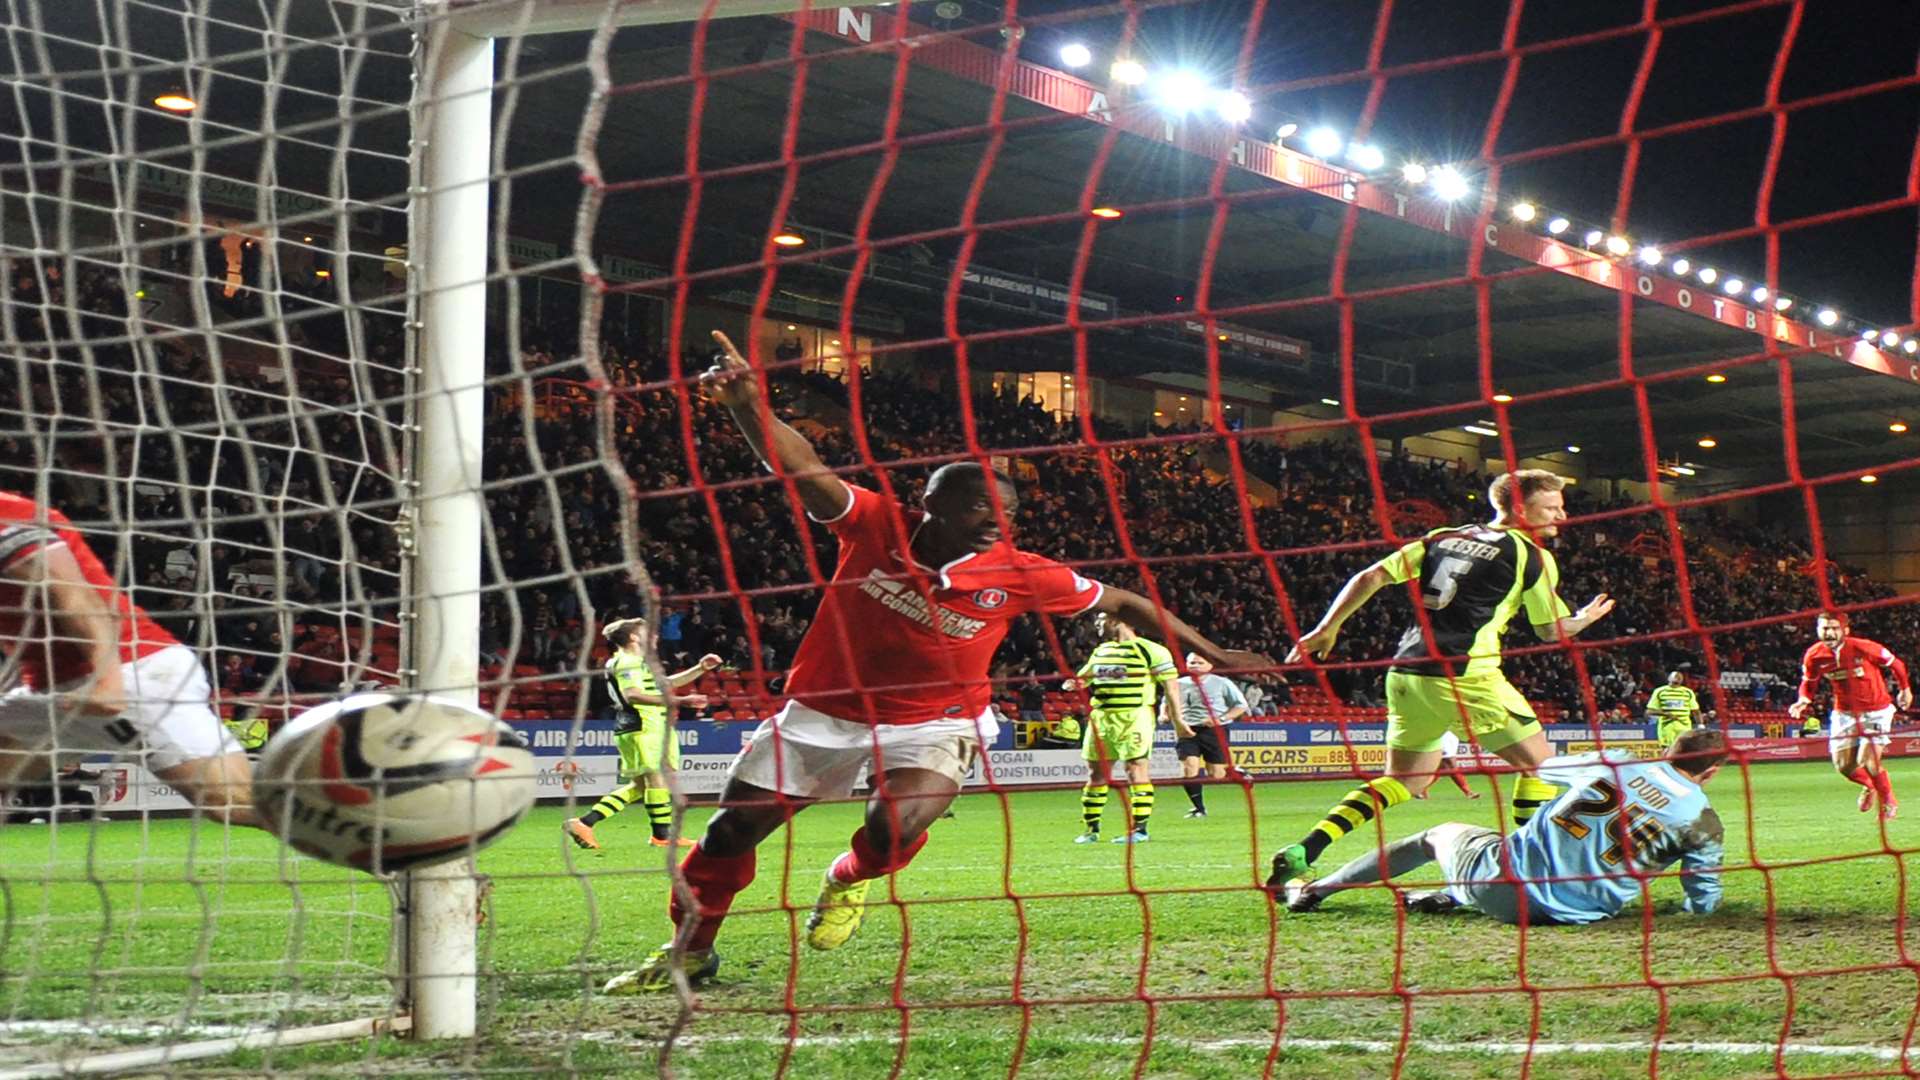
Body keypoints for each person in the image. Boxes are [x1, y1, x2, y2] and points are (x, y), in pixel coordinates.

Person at [604, 331, 1265, 994]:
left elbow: (1122, 597)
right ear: (933, 503)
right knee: (728, 832)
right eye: (981, 507)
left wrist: (1212, 651)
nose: (995, 523)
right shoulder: (873, 524)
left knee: (893, 827)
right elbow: (803, 468)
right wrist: (748, 406)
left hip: (936, 721)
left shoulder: (1019, 572)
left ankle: (847, 878)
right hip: (824, 710)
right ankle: (691, 951)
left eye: (1006, 513)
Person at [1268, 469, 1614, 892]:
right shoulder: (1531, 555)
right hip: (1466, 673)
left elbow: (1372, 575)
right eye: (1552, 507)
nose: (1562, 515)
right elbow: (1549, 631)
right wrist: (1581, 620)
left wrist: (1327, 628)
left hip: (1407, 670)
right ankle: (1529, 873)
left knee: (1405, 781)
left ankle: (1305, 850)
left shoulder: (1444, 536)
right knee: (1542, 767)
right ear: (1520, 509)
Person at [1282, 729, 1729, 924]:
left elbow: (1542, 768)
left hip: (1502, 885)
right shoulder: (1704, 822)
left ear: (1668, 750)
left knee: (1436, 835)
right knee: (1507, 847)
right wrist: (1692, 912)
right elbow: (1703, 894)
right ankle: (1451, 895)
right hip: (1576, 914)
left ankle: (1315, 891)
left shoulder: (1616, 763)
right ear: (1711, 773)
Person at [0, 491, 257, 826]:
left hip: (134, 675)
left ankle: (340, 817)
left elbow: (75, 598)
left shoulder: (8, 517)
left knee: (233, 803)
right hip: (54, 695)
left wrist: (108, 683)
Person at [564, 617, 722, 852]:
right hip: (643, 725)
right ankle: (663, 836)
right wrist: (682, 701)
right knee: (657, 776)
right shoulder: (629, 662)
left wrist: (700, 668)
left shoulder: (632, 662)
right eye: (648, 631)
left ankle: (585, 823)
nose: (655, 636)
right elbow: (633, 695)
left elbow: (665, 683)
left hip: (640, 725)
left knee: (640, 785)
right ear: (634, 637)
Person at [1068, 613, 1179, 844]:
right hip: (1102, 718)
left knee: (1135, 769)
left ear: (1115, 620)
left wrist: (1176, 718)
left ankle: (1139, 830)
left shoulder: (1151, 650)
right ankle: (1091, 830)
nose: (1096, 624)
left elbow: (1171, 687)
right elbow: (1085, 677)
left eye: (1100, 619)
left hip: (1134, 716)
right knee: (1096, 774)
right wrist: (1074, 683)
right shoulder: (1101, 651)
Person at [1787, 611, 1908, 820]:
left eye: (1834, 628)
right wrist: (1803, 699)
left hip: (1876, 711)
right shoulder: (1814, 655)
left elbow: (1896, 664)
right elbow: (1809, 682)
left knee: (1868, 760)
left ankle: (1888, 799)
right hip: (1844, 713)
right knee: (1843, 766)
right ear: (1818, 630)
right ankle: (1869, 786)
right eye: (1825, 628)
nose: (1830, 633)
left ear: (1845, 630)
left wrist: (1905, 689)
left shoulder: (1864, 647)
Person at [1174, 651, 1247, 818]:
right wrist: (1164, 714)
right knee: (1189, 767)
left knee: (1216, 774)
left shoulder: (1222, 683)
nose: (1195, 666)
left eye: (1200, 663)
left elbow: (1240, 706)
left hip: (1215, 730)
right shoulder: (1178, 683)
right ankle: (1199, 808)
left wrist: (1219, 718)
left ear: (1210, 665)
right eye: (1192, 662)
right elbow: (1168, 701)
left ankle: (1233, 770)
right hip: (1187, 729)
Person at [1647, 670, 1701, 750]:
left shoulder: (1688, 692)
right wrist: (1666, 714)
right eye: (1676, 676)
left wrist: (1700, 725)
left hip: (1684, 727)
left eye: (1680, 677)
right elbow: (1649, 711)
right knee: (1668, 752)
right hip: (1667, 728)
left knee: (1684, 752)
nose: (1678, 678)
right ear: (1669, 678)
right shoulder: (1659, 691)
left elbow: (1695, 710)